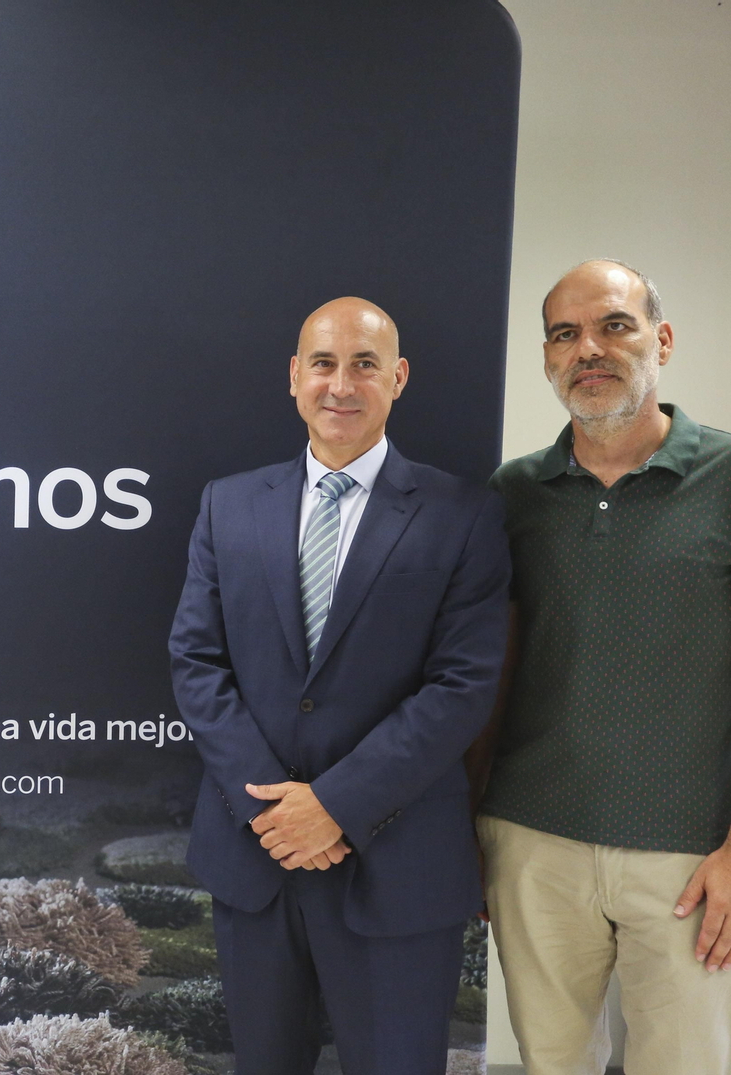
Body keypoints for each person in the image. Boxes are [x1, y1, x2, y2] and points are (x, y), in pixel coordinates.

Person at [169, 297, 510, 1074]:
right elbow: (196, 660)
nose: (341, 384)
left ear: (399, 377)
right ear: (295, 377)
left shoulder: (465, 514)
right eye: (323, 363)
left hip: (397, 866)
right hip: (256, 860)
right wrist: (275, 812)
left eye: (365, 363)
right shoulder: (228, 505)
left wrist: (334, 806)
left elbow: (462, 685)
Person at [473, 259, 731, 1074]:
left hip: (690, 857)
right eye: (565, 334)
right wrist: (471, 828)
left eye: (614, 325)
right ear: (549, 359)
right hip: (530, 841)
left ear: (660, 339)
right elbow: (489, 674)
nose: (589, 348)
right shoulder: (512, 493)